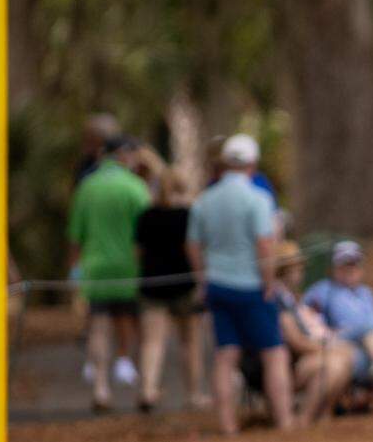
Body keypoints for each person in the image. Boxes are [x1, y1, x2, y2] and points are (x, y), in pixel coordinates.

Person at [187, 133, 295, 434]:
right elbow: (265, 245)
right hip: (251, 287)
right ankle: (286, 422)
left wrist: (202, 278)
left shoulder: (204, 200)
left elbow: (193, 244)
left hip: (217, 285)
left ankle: (228, 426)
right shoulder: (257, 199)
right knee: (274, 353)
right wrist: (269, 282)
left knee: (225, 355)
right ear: (252, 164)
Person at [68, 135, 150, 411]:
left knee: (99, 326)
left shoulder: (87, 187)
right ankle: (136, 377)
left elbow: (75, 235)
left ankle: (101, 387)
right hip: (129, 268)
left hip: (94, 268)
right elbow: (146, 232)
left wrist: (74, 270)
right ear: (124, 155)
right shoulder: (136, 187)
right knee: (130, 322)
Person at [303, 241, 373, 414]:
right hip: (341, 344)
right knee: (368, 330)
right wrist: (326, 333)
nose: (350, 269)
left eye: (353, 264)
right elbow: (307, 320)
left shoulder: (366, 293)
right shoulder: (322, 290)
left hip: (369, 351)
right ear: (334, 268)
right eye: (345, 265)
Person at [135, 167, 211, 412]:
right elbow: (197, 248)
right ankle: (193, 393)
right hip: (184, 285)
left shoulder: (147, 215)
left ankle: (148, 390)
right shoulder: (189, 215)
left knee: (152, 342)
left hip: (152, 285)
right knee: (190, 342)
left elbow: (138, 252)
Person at [271, 240, 355, 425]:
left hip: (301, 358)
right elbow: (296, 341)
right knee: (333, 364)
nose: (301, 272)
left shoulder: (289, 297)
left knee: (345, 356)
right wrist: (324, 349)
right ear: (286, 270)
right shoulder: (278, 298)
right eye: (298, 268)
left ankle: (324, 413)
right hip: (291, 365)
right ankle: (304, 419)